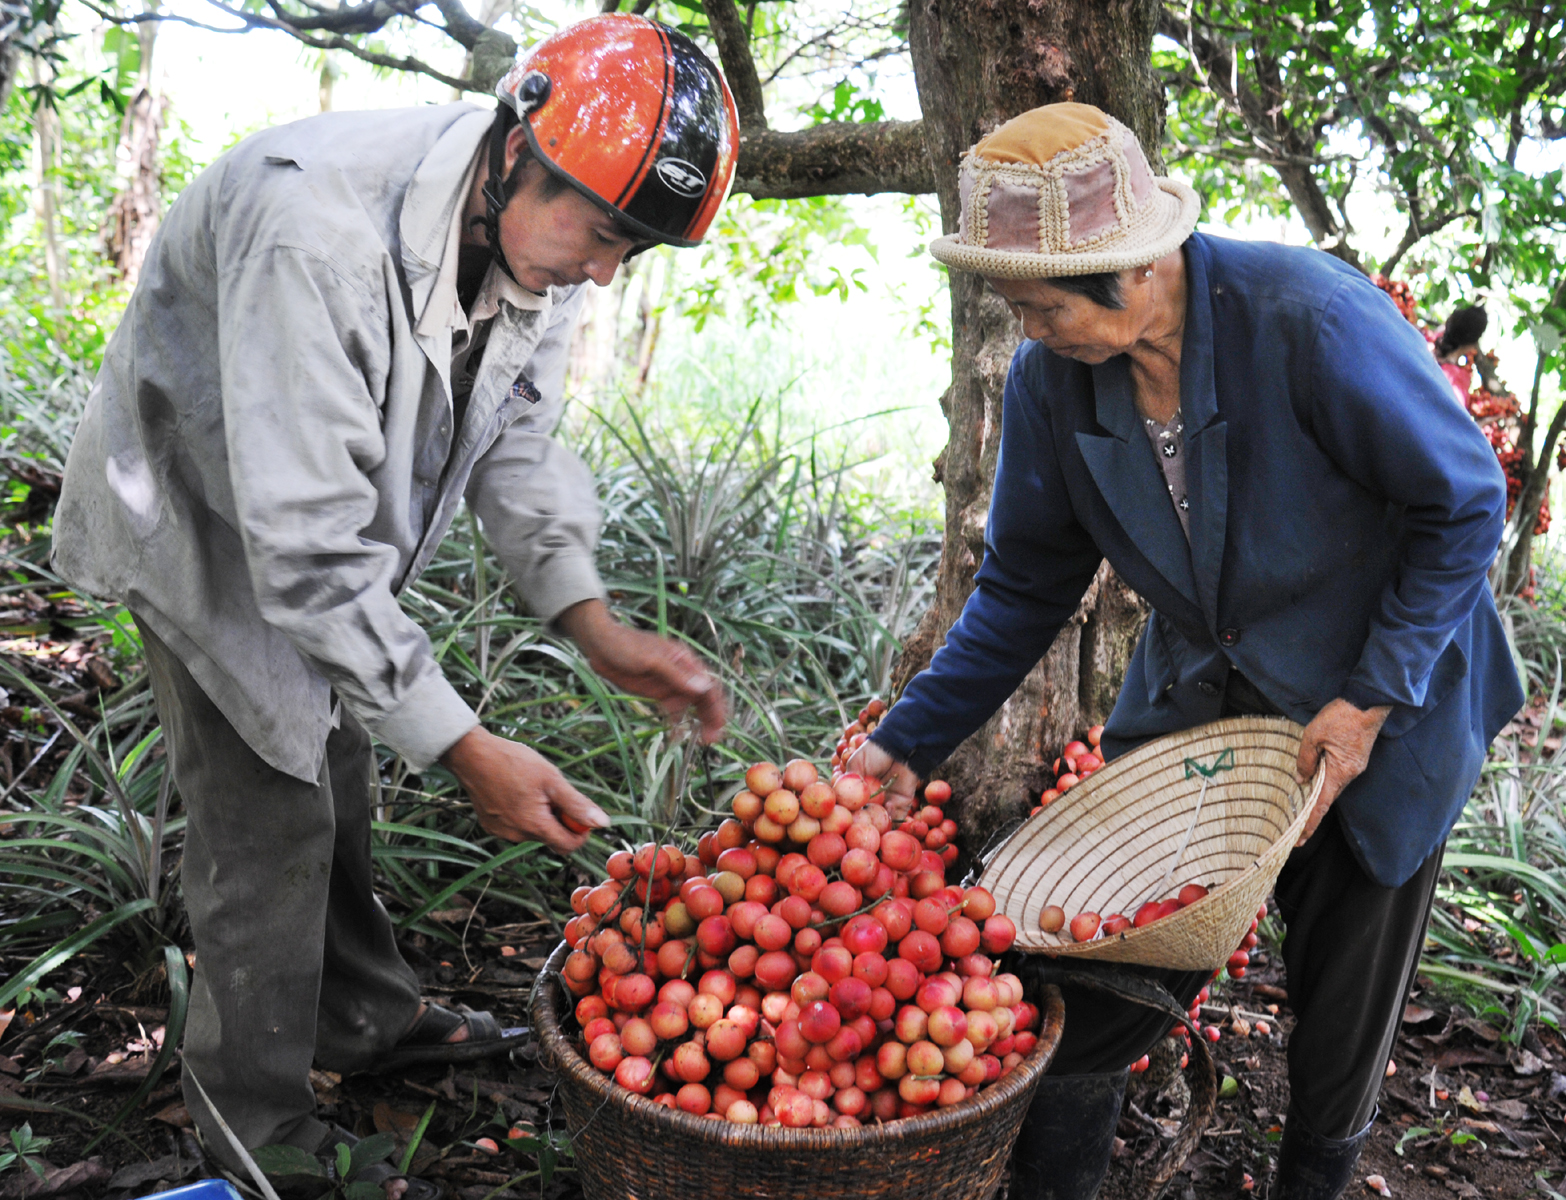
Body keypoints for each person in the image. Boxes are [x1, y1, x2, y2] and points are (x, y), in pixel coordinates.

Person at [52, 13, 738, 1180]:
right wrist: (468, 748)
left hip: (320, 525)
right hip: (205, 525)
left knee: (344, 763)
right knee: (267, 819)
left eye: (638, 250)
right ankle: (256, 1137)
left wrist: (595, 624)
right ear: (516, 143)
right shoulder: (313, 234)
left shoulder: (536, 234)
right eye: (604, 232)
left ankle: (364, 1021)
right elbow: (304, 554)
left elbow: (515, 444)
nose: (606, 269)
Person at [849, 104, 1522, 1200]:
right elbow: (1024, 585)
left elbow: (1462, 505)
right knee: (1092, 959)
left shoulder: (1309, 320)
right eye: (1017, 307)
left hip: (1386, 693)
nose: (1031, 331)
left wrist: (1368, 700)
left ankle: (1313, 1174)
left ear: (1137, 271)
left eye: (1047, 306)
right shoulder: (1052, 382)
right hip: (1208, 701)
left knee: (1340, 1005)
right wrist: (905, 742)